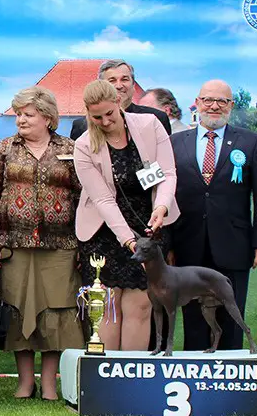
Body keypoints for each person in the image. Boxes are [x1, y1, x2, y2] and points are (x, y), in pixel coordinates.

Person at [0, 87, 82, 401]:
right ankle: (25, 383)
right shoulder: (5, 148)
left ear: (48, 118)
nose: (21, 120)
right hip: (14, 244)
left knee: (56, 316)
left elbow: (83, 197)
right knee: (17, 313)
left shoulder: (70, 148)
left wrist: (84, 244)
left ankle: (50, 384)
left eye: (28, 114)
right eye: (19, 114)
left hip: (61, 245)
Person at [169, 80, 257, 351]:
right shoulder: (174, 143)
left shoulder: (251, 143)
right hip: (188, 245)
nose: (214, 106)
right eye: (208, 100)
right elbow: (165, 196)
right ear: (197, 102)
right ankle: (193, 374)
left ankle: (230, 382)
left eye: (222, 101)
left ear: (231, 105)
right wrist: (167, 245)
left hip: (234, 246)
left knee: (231, 315)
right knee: (193, 318)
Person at [73, 79, 179, 351]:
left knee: (141, 306)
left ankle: (130, 377)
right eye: (97, 117)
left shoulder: (150, 126)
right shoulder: (84, 145)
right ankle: (106, 378)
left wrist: (162, 207)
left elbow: (166, 174)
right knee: (108, 308)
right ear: (87, 112)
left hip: (149, 222)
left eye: (110, 113)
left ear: (119, 103)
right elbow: (103, 200)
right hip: (104, 231)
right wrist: (129, 241)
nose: (106, 121)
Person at [69, 59, 172, 140]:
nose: (118, 86)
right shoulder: (81, 126)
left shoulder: (156, 118)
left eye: (124, 79)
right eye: (112, 80)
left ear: (133, 85)